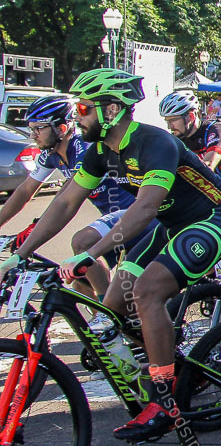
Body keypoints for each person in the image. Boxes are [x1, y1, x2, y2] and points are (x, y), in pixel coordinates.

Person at [0, 69, 221, 441]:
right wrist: (19, 255)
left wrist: (91, 253)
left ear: (111, 109)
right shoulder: (100, 151)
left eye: (83, 108)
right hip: (169, 225)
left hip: (213, 218)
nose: (77, 116)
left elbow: (144, 209)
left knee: (147, 291)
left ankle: (164, 401)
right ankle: (168, 359)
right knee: (110, 310)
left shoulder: (154, 143)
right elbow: (65, 203)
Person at [0, 94, 162, 299]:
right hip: (116, 220)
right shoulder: (51, 155)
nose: (33, 135)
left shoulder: (84, 150)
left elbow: (66, 199)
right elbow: (24, 191)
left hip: (140, 216)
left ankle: (107, 314)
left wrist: (35, 229)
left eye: (38, 128)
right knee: (80, 280)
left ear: (61, 128)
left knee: (82, 242)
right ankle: (106, 327)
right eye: (31, 129)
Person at [159, 89, 221, 212]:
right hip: (215, 187)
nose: (169, 126)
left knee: (217, 215)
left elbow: (208, 166)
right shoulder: (180, 138)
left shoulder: (216, 130)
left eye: (173, 120)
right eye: (167, 121)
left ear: (191, 116)